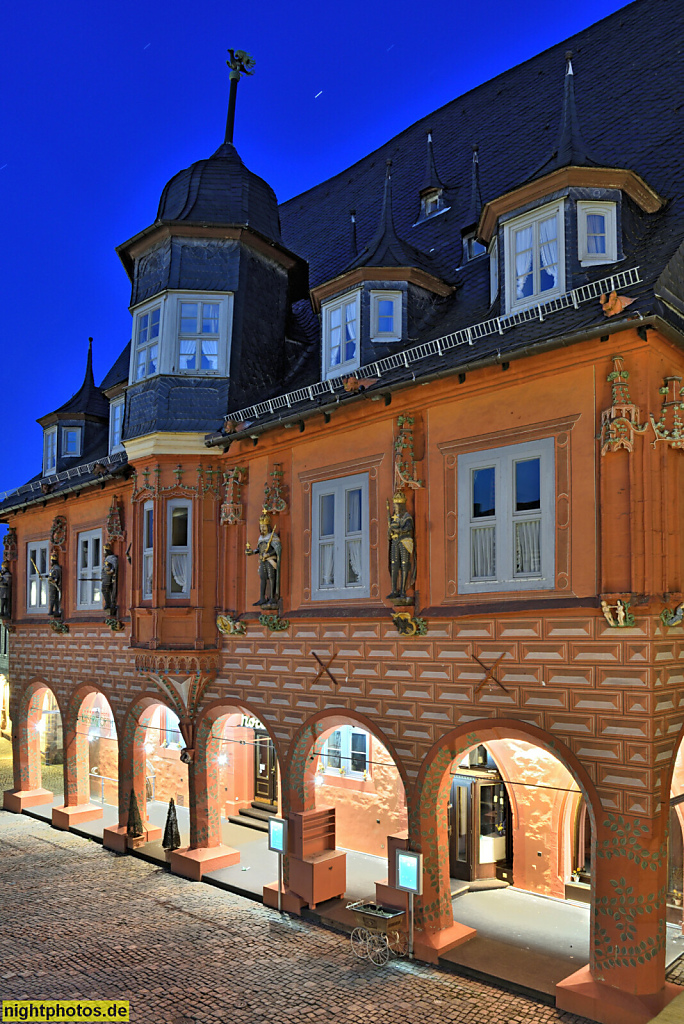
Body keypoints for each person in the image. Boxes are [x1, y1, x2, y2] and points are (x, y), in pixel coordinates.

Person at [246, 509, 281, 606]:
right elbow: (259, 548)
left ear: (268, 527)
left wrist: (268, 555)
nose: (262, 529)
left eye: (264, 527)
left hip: (270, 560)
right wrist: (252, 552)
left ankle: (272, 597)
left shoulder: (272, 536)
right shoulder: (261, 538)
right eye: (261, 527)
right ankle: (262, 598)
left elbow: (277, 549)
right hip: (262, 560)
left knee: (271, 577)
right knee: (263, 577)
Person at [387, 490, 416, 600]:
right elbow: (389, 535)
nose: (396, 507)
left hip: (404, 541)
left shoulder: (407, 517)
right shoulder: (394, 518)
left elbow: (408, 528)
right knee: (394, 565)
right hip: (395, 543)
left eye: (398, 505)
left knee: (404, 564)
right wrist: (390, 531)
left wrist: (396, 530)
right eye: (395, 505)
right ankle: (394, 590)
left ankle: (403, 590)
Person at [101, 543, 118, 615]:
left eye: (105, 551)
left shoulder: (110, 559)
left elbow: (112, 569)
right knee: (106, 591)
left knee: (105, 590)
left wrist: (108, 568)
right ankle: (108, 604)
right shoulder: (108, 559)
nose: (104, 553)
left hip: (108, 578)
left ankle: (108, 604)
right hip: (106, 578)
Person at [48, 553, 62, 618]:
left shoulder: (56, 568)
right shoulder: (54, 568)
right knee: (55, 598)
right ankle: (55, 610)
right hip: (52, 585)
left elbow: (56, 577)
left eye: (51, 561)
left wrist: (52, 580)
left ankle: (52, 610)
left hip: (54, 585)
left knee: (53, 598)